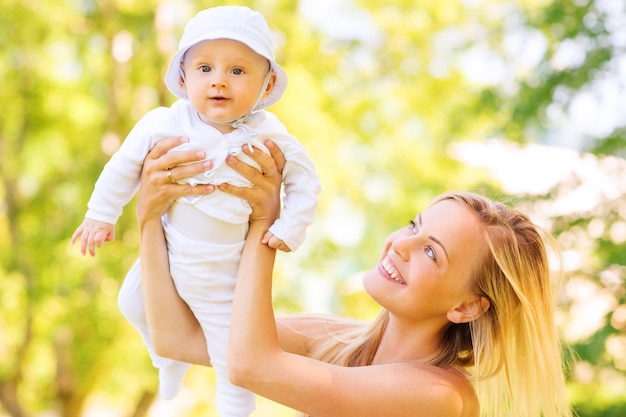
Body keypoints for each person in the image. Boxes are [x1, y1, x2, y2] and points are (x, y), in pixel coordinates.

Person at [135, 137, 572, 417]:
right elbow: (180, 339)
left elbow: (250, 365)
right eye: (414, 225)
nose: (400, 244)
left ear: (466, 306)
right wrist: (149, 219)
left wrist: (266, 225)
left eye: (430, 252)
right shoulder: (337, 340)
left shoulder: (440, 397)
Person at [70, 5, 320, 415]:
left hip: (221, 269)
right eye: (205, 68)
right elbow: (123, 167)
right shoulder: (165, 122)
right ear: (184, 78)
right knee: (131, 303)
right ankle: (168, 361)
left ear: (267, 82)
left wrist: (292, 226)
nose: (219, 80)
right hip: (169, 247)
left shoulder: (271, 134)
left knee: (233, 355)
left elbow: (305, 182)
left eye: (238, 72)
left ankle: (236, 410)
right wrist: (101, 214)